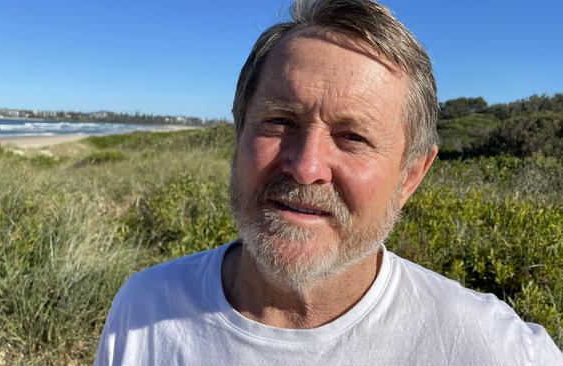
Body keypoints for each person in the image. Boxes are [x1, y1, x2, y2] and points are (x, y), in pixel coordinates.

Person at [94, 0, 562, 364]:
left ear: (410, 176)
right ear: (239, 135)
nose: (306, 166)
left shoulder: (494, 350)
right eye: (279, 121)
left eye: (352, 136)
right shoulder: (143, 309)